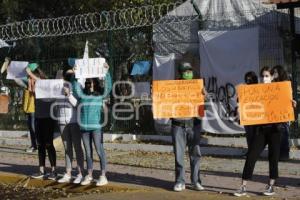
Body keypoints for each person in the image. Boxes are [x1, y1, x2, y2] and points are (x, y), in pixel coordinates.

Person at [234, 66, 296, 197]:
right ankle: (243, 186)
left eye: (267, 75)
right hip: (260, 130)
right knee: (251, 156)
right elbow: (244, 98)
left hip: (275, 130)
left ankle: (271, 186)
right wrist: (241, 105)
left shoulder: (279, 91)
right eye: (262, 75)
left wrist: (292, 104)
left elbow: (287, 106)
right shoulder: (256, 91)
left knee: (273, 158)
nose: (264, 78)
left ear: (272, 77)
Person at [71, 63, 112, 186]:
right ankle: (89, 175)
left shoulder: (100, 96)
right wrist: (74, 74)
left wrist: (107, 72)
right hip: (84, 128)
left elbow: (108, 87)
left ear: (96, 84)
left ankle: (103, 175)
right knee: (88, 152)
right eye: (88, 83)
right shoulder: (82, 95)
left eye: (93, 83)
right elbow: (75, 87)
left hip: (96, 128)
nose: (91, 85)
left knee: (99, 151)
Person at [171, 62, 205, 192]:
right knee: (179, 155)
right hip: (178, 125)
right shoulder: (172, 87)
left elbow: (202, 106)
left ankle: (196, 181)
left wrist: (204, 96)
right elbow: (165, 103)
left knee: (195, 154)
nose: (188, 73)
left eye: (190, 70)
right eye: (185, 71)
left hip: (193, 124)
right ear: (180, 73)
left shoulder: (198, 86)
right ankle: (180, 181)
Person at [53, 67, 85, 184]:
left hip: (74, 121)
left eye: (60, 77)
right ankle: (68, 173)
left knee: (77, 147)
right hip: (62, 121)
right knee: (67, 148)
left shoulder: (75, 87)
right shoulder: (55, 89)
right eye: (57, 77)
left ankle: (80, 173)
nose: (58, 79)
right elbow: (56, 104)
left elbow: (78, 104)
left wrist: (68, 95)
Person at [29, 63, 57, 180]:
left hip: (48, 118)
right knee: (40, 144)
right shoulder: (35, 84)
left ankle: (54, 171)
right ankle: (41, 170)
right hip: (38, 118)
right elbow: (27, 89)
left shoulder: (46, 84)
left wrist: (30, 73)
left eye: (32, 79)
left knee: (48, 144)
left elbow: (40, 81)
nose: (31, 81)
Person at [271, 65, 295, 161]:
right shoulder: (272, 83)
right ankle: (278, 154)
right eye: (273, 73)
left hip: (284, 112)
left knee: (284, 133)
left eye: (276, 72)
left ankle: (284, 154)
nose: (274, 74)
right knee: (276, 134)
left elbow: (289, 97)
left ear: (281, 73)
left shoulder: (286, 84)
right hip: (274, 112)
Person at [243, 71, 258, 151]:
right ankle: (250, 150)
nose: (248, 81)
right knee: (249, 134)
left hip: (256, 115)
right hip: (247, 115)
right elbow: (240, 101)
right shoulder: (244, 89)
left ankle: (254, 151)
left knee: (254, 134)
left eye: (250, 79)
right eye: (247, 79)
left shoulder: (258, 89)